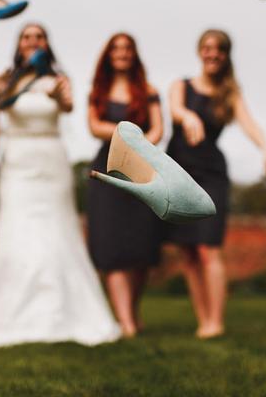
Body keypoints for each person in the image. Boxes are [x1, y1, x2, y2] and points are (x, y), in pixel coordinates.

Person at [0, 23, 121, 348]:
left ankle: (63, 308)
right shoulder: (8, 80)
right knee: (16, 229)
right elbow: (0, 106)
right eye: (27, 37)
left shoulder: (58, 79)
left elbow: (69, 106)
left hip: (51, 159)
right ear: (19, 44)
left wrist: (58, 95)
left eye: (39, 36)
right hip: (17, 161)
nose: (33, 41)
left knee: (58, 228)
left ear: (46, 44)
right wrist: (4, 88)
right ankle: (9, 311)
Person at [165, 29, 266, 339]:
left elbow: (250, 124)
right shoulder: (181, 86)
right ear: (199, 52)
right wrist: (188, 116)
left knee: (208, 247)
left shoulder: (229, 94)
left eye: (219, 49)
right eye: (207, 47)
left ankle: (215, 322)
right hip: (177, 173)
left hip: (211, 175)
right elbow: (175, 110)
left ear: (226, 55)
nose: (212, 54)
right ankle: (202, 319)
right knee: (188, 252)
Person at [87, 33, 163, 337]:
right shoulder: (98, 91)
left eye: (127, 48)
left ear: (134, 54)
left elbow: (158, 130)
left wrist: (138, 144)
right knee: (113, 244)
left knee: (141, 245)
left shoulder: (148, 90)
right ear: (108, 55)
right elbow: (94, 127)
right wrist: (128, 133)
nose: (122, 53)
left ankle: (133, 310)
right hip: (107, 171)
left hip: (142, 170)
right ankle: (126, 322)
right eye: (116, 48)